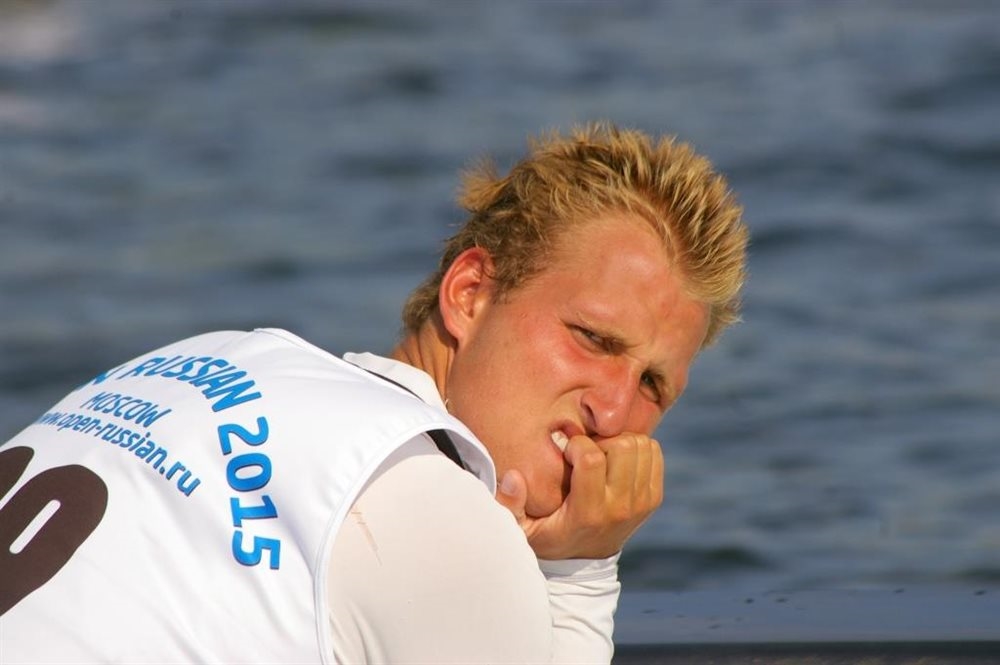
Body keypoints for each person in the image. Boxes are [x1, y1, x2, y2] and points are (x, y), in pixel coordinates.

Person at [0, 123, 747, 663]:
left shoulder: (197, 360)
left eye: (653, 384)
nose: (613, 412)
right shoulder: (438, 519)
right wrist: (580, 569)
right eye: (591, 337)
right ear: (470, 293)